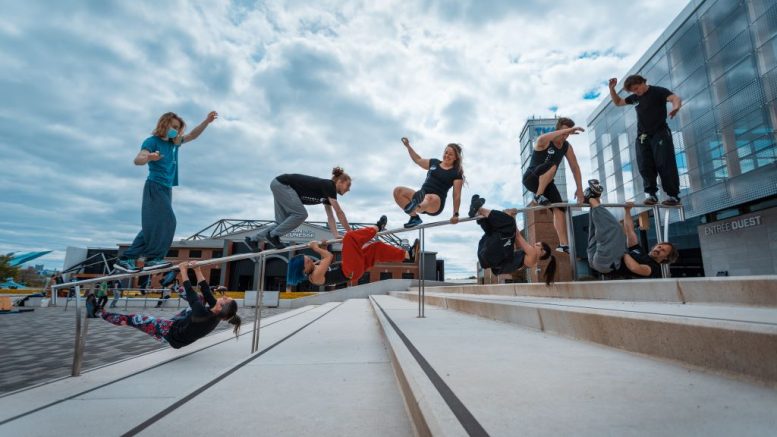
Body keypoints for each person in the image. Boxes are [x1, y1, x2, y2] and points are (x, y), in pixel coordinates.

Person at [114, 111, 219, 273]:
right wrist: (149, 157)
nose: (176, 131)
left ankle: (128, 257)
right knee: (168, 221)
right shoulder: (152, 141)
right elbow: (138, 160)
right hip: (155, 186)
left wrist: (206, 121)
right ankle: (153, 258)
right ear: (164, 124)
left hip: (166, 189)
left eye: (178, 128)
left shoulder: (174, 143)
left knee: (154, 225)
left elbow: (193, 135)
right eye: (174, 127)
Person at [101, 262, 241, 348]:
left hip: (170, 334)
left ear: (220, 307)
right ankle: (172, 287)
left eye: (225, 298)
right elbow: (204, 289)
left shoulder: (203, 314)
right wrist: (197, 269)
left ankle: (101, 314)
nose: (223, 296)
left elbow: (191, 293)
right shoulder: (217, 312)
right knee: (201, 298)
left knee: (134, 319)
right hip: (183, 324)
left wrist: (183, 271)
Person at [608, 75, 682, 206]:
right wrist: (612, 89)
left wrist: (676, 107)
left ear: (643, 82)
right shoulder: (635, 98)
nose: (636, 92)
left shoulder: (658, 91)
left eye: (637, 88)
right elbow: (618, 102)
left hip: (660, 133)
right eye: (633, 91)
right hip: (643, 136)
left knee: (664, 162)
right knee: (644, 164)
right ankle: (651, 195)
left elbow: (674, 98)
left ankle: (673, 195)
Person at [286, 216, 420, 288]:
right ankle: (377, 227)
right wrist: (315, 248)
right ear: (303, 270)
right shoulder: (314, 277)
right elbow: (329, 257)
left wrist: (323, 246)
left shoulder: (315, 268)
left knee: (376, 247)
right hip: (350, 271)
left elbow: (325, 257)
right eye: (308, 261)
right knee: (349, 238)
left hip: (353, 268)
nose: (310, 260)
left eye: (308, 258)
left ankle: (408, 255)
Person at [584, 180, 679, 278]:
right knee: (596, 226)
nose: (658, 249)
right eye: (659, 246)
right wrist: (628, 211)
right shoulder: (639, 252)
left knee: (615, 229)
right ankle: (594, 198)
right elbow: (630, 232)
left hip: (608, 264)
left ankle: (590, 198)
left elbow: (634, 268)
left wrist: (623, 252)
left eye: (663, 250)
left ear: (666, 258)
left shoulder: (654, 268)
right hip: (596, 258)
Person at [245, 168, 353, 251]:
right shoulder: (329, 186)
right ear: (339, 181)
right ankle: (274, 235)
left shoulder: (327, 195)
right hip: (283, 185)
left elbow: (330, 216)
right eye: (348, 185)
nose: (348, 189)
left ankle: (252, 240)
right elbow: (339, 212)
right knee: (300, 214)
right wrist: (351, 233)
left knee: (282, 222)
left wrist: (335, 234)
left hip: (278, 184)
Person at [522, 117, 585, 253]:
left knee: (559, 208)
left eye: (567, 134)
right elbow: (541, 138)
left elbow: (575, 167)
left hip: (547, 181)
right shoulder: (544, 141)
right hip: (531, 178)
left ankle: (563, 244)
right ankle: (537, 196)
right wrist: (568, 129)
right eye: (563, 132)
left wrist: (580, 189)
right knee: (552, 165)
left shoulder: (566, 147)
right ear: (557, 130)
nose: (565, 136)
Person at [468, 195, 557, 285]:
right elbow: (512, 243)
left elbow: (517, 236)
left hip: (492, 257)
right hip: (488, 258)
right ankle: (477, 213)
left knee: (508, 223)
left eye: (538, 245)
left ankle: (480, 209)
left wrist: (511, 217)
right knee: (497, 231)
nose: (534, 245)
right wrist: (511, 217)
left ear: (542, 252)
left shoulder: (533, 255)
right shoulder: (530, 261)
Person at [393, 138, 464, 229]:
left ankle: (416, 204)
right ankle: (414, 217)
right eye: (446, 153)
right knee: (398, 191)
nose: (447, 156)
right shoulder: (434, 163)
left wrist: (455, 214)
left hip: (436, 202)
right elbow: (418, 160)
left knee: (428, 197)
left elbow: (456, 195)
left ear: (456, 157)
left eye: (450, 154)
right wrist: (408, 146)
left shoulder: (456, 173)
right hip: (422, 194)